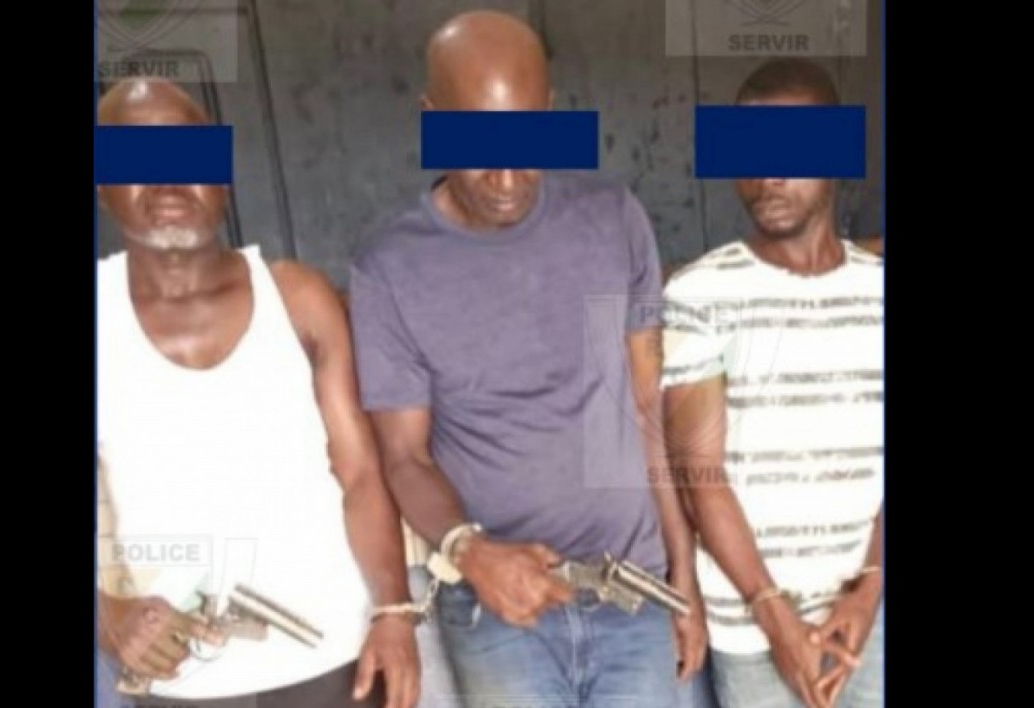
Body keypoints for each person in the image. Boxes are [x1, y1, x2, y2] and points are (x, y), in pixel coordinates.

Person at [348, 10, 709, 707]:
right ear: (432, 120)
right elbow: (404, 457)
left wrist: (682, 576)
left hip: (633, 594)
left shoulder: (611, 220)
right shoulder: (391, 267)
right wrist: (470, 551)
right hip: (497, 614)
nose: (509, 175)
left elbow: (645, 409)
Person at [95, 77, 420, 708]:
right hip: (183, 681)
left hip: (336, 660)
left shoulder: (297, 299)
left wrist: (393, 611)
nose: (167, 181)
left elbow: (360, 474)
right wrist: (106, 615)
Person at [660, 57, 884, 708]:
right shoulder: (700, 295)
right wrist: (773, 615)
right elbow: (700, 476)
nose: (767, 176)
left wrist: (870, 587)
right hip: (751, 628)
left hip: (867, 619)